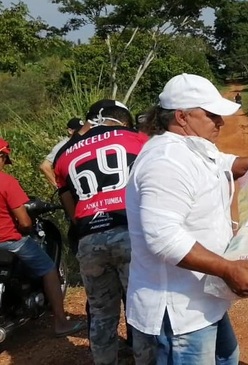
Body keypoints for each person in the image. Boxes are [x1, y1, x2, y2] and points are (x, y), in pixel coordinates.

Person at [125, 73, 248, 365]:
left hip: (201, 300)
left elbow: (222, 164)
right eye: (212, 115)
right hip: (179, 311)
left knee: (228, 357)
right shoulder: (165, 161)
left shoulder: (193, 148)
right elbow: (164, 239)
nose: (220, 123)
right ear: (182, 117)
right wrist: (228, 269)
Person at [53, 99, 147, 365]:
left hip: (89, 237)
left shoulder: (65, 154)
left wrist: (87, 226)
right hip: (130, 231)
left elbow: (68, 203)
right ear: (124, 120)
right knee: (140, 309)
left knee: (101, 312)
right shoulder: (137, 140)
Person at [0, 138, 85, 337]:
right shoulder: (6, 182)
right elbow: (25, 221)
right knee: (48, 269)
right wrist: (25, 229)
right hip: (10, 241)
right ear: (2, 155)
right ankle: (61, 323)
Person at [39, 117, 84, 188]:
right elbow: (45, 166)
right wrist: (61, 188)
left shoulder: (84, 141)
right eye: (79, 130)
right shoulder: (61, 146)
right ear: (70, 131)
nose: (82, 132)